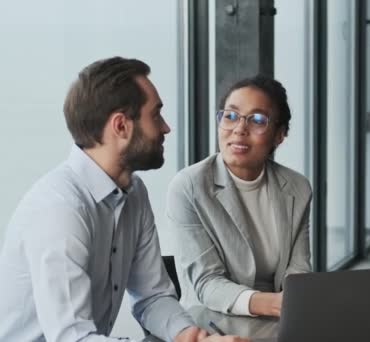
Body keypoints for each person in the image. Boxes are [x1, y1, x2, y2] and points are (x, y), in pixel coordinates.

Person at [0, 57, 247, 342]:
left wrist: (192, 337)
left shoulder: (133, 193)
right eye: (155, 115)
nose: (166, 128)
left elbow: (153, 297)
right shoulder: (60, 207)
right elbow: (73, 338)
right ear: (120, 126)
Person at [166, 75, 312, 318]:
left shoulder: (297, 187)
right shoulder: (189, 187)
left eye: (257, 120)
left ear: (279, 135)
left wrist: (293, 306)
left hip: (280, 320)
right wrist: (275, 304)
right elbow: (207, 283)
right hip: (213, 321)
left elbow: (298, 271)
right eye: (230, 116)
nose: (239, 129)